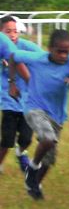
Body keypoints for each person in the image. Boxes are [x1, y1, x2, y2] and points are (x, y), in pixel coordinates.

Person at [13, 30, 69, 201]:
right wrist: (12, 83)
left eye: (67, 51)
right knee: (48, 138)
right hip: (34, 108)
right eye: (60, 51)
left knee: (49, 160)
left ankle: (33, 185)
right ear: (50, 48)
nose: (64, 55)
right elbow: (14, 56)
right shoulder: (37, 58)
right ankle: (32, 167)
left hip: (56, 116)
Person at [0, 15, 39, 174]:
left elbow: (43, 57)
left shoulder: (26, 46)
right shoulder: (2, 46)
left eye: (15, 31)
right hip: (7, 100)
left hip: (27, 101)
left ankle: (20, 152)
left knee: (26, 138)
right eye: (8, 31)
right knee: (7, 140)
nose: (13, 34)